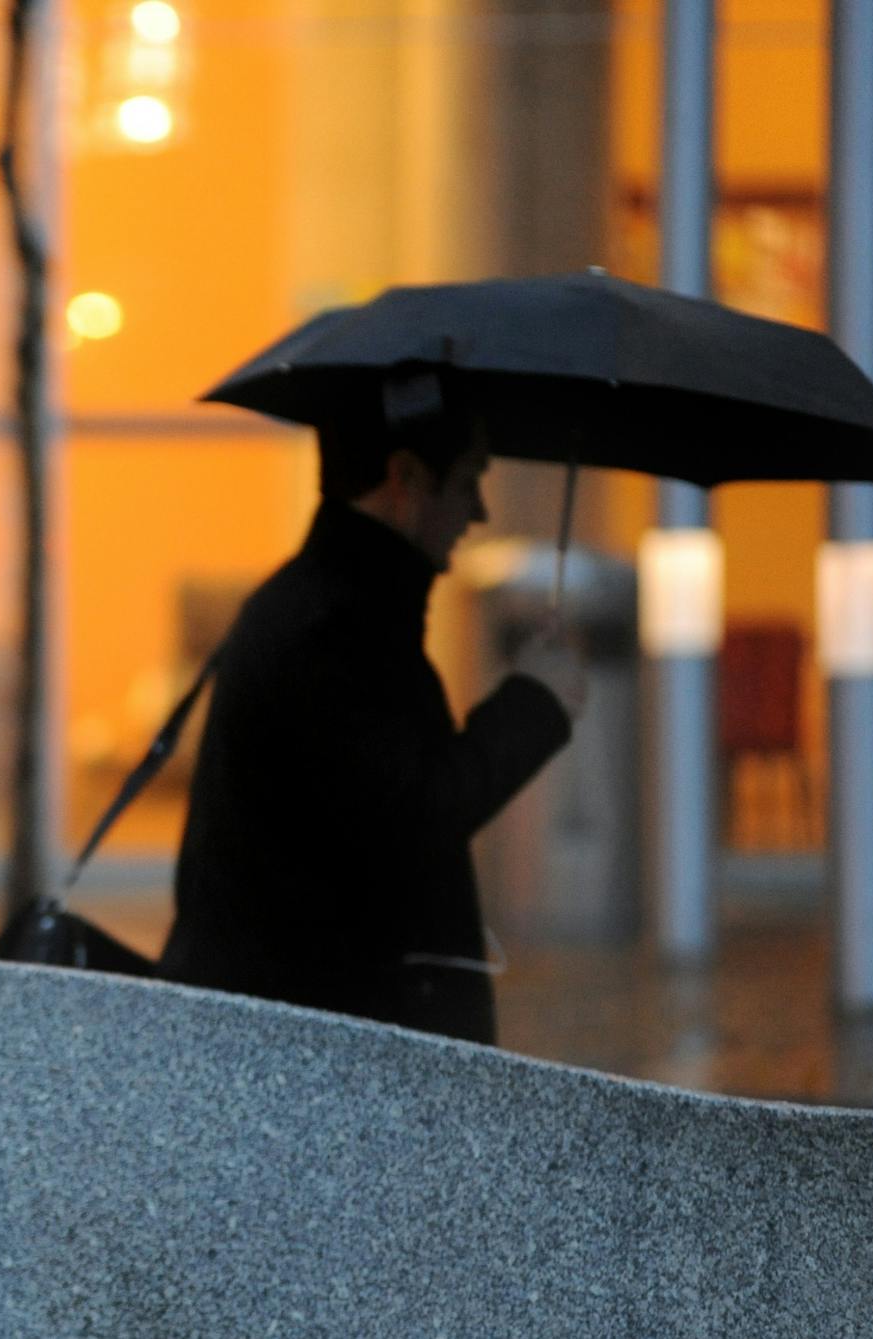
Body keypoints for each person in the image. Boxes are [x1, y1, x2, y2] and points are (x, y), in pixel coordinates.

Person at [157, 372, 586, 1044]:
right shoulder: (337, 631)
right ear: (406, 478)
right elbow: (418, 811)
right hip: (315, 1054)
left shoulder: (322, 606)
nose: (479, 512)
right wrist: (537, 700)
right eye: (470, 479)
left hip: (300, 1038)